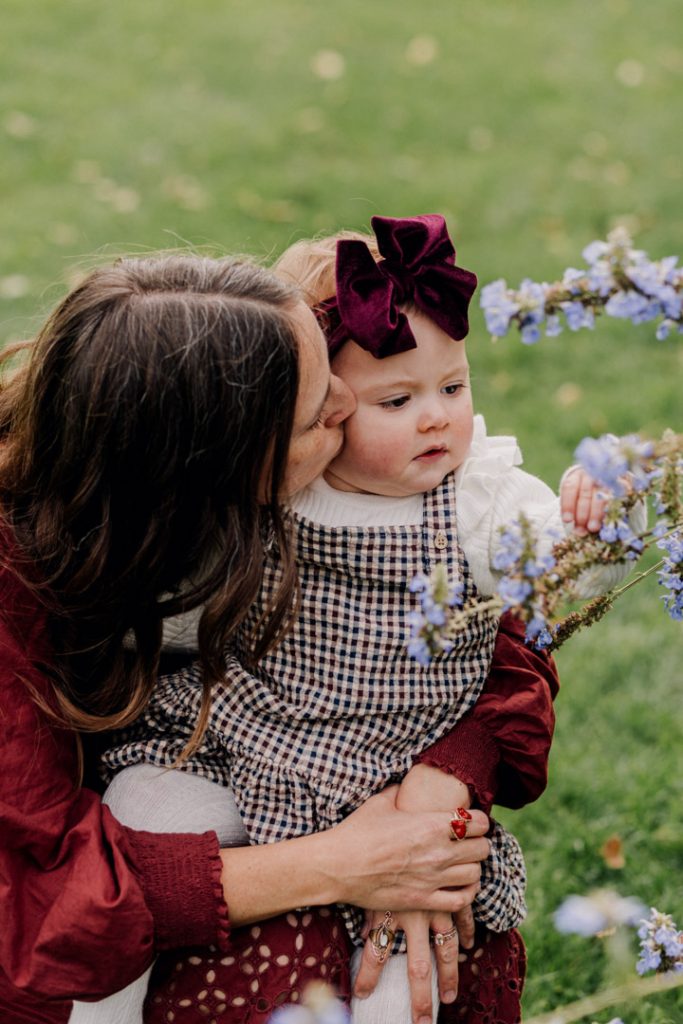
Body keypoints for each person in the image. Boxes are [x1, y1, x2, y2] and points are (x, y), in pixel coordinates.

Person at [97, 217, 640, 1024]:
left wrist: (592, 531)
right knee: (141, 814)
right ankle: (95, 1008)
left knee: (395, 973)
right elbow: (189, 614)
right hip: (244, 740)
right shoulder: (282, 484)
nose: (435, 418)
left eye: (451, 388)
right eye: (395, 399)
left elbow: (552, 573)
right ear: (314, 406)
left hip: (386, 784)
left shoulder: (475, 501)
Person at [0, 253, 502, 1024]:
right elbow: (42, 904)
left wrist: (444, 773)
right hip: (71, 907)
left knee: (422, 903)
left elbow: (496, 637)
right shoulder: (18, 593)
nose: (347, 398)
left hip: (216, 801)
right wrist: (343, 863)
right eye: (316, 413)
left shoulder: (210, 359)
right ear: (220, 466)